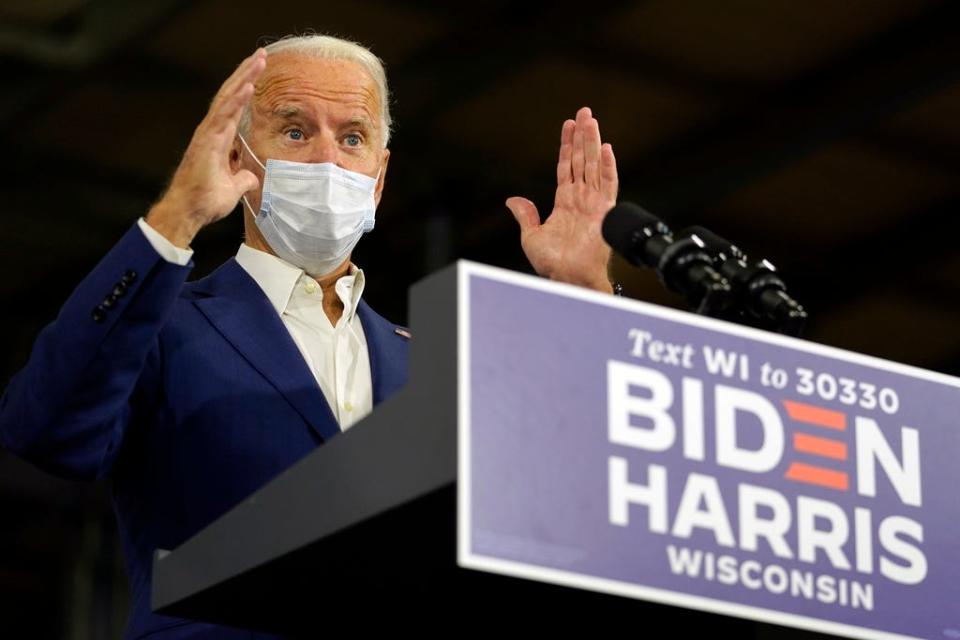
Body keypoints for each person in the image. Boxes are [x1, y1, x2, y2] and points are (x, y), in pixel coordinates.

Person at [0, 35, 618, 639]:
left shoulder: (437, 364)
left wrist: (587, 291)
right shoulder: (160, 325)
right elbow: (45, 430)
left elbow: (578, 494)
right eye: (296, 131)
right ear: (239, 157)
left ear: (378, 178)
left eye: (353, 138)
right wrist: (176, 217)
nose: (328, 159)